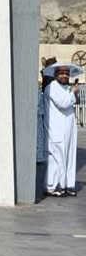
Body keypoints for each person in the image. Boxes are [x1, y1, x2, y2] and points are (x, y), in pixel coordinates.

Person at [43, 63, 79, 197]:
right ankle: (52, 186)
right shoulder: (52, 87)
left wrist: (73, 91)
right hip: (56, 130)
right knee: (56, 159)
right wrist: (73, 92)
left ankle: (67, 185)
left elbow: (73, 101)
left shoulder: (66, 88)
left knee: (69, 158)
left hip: (68, 130)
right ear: (55, 75)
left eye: (66, 73)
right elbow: (63, 103)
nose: (64, 75)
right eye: (61, 73)